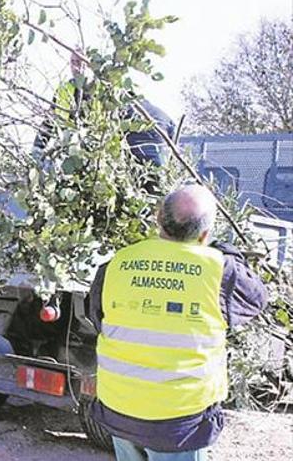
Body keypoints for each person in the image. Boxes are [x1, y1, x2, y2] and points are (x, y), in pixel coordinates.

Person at [87, 184, 269, 461]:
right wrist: (227, 252)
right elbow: (257, 300)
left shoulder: (115, 264)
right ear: (206, 233)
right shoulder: (219, 270)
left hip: (119, 411)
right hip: (179, 423)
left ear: (158, 218)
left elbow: (98, 319)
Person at [35, 51, 177, 167]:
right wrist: (37, 148)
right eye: (72, 62)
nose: (76, 68)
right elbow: (50, 121)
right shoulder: (65, 90)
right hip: (155, 123)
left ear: (92, 65)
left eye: (80, 62)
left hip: (146, 128)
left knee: (151, 181)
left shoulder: (106, 87)